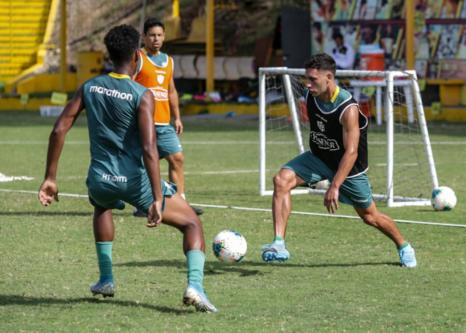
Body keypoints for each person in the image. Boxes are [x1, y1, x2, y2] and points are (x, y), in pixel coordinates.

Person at [38, 24, 217, 312]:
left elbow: (59, 130)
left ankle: (106, 279)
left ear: (108, 55)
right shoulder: (140, 93)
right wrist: (157, 197)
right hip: (134, 181)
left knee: (102, 206)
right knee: (192, 223)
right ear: (137, 55)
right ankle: (195, 287)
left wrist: (50, 177)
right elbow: (149, 149)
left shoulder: (89, 86)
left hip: (99, 179)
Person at [261, 53, 417, 268]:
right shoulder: (311, 96)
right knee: (281, 180)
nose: (308, 84)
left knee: (370, 216)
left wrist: (335, 185)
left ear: (329, 77)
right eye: (307, 78)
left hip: (349, 168)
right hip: (318, 157)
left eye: (313, 79)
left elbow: (351, 152)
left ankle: (403, 245)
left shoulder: (348, 109)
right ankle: (279, 244)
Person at [134, 17, 203, 216]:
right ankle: (143, 204)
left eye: (159, 35)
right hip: (142, 123)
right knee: (143, 163)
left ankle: (180, 202)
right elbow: (128, 85)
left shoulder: (169, 61)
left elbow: (171, 91)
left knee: (177, 159)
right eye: (152, 35)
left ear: (164, 37)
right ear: (144, 37)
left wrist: (178, 117)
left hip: (164, 123)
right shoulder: (137, 58)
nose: (156, 39)